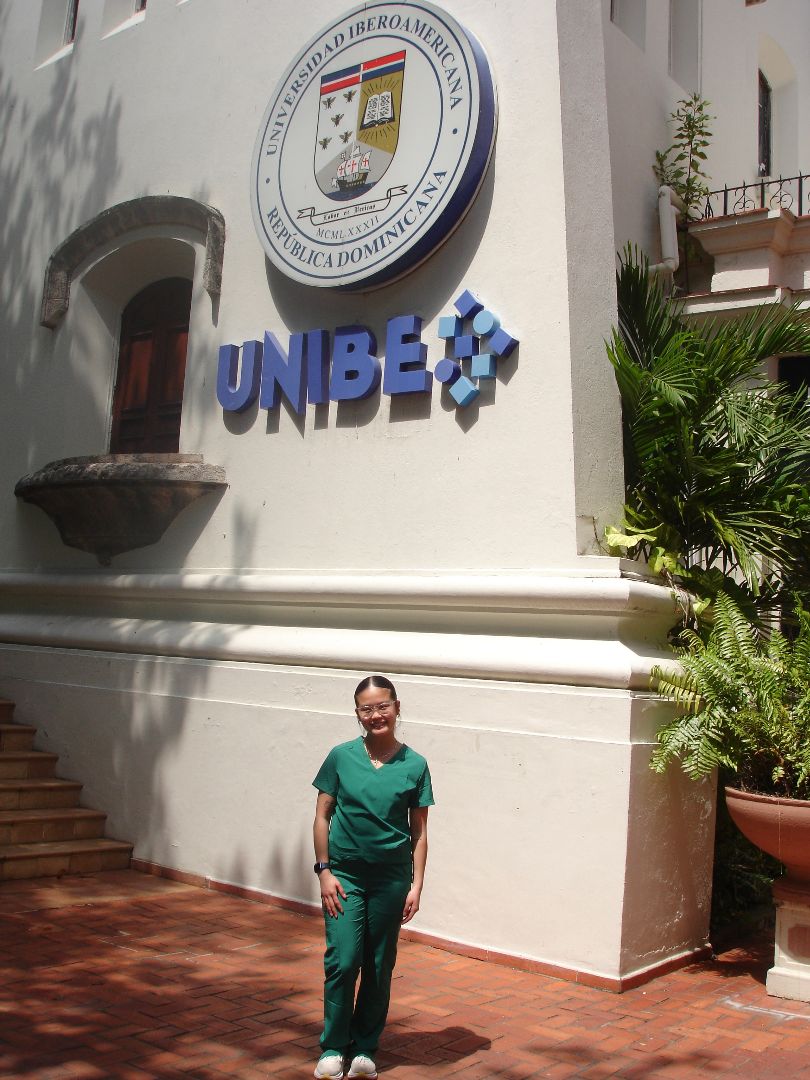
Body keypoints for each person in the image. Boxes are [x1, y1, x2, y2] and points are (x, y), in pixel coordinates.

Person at [312, 675, 434, 1080]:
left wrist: (416, 885)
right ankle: (334, 1045)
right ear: (357, 714)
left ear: (397, 707)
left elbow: (419, 833)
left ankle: (364, 1048)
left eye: (382, 706)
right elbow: (322, 815)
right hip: (344, 875)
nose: (375, 715)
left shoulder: (415, 764)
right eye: (367, 708)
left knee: (379, 964)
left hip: (391, 879)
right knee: (344, 961)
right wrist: (324, 871)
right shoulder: (340, 756)